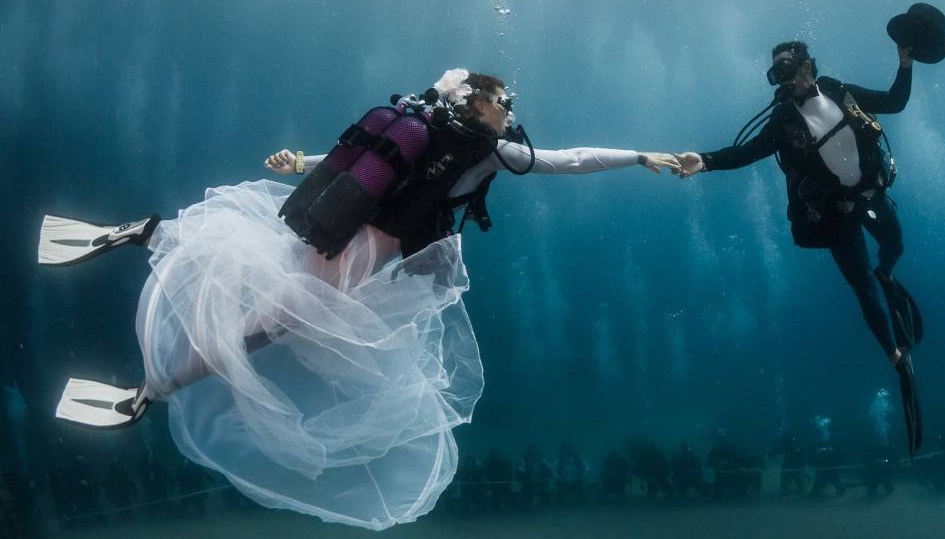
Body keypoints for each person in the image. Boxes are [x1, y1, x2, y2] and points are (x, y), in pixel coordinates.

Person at [37, 69, 679, 530]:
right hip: (355, 253)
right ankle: (150, 389)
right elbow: (570, 161)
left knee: (250, 274)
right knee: (263, 325)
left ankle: (142, 239)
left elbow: (363, 157)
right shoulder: (487, 151)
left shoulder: (423, 122)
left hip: (330, 220)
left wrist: (296, 165)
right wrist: (639, 155)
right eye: (504, 102)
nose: (512, 114)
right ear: (482, 104)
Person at [675, 35, 932, 455]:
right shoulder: (782, 120)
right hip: (834, 214)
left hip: (871, 193)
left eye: (788, 66)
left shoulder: (836, 90)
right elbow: (747, 152)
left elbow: (893, 102)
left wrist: (906, 61)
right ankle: (895, 356)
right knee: (862, 288)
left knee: (893, 249)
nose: (782, 75)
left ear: (807, 66)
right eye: (776, 70)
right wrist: (704, 160)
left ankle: (888, 274)